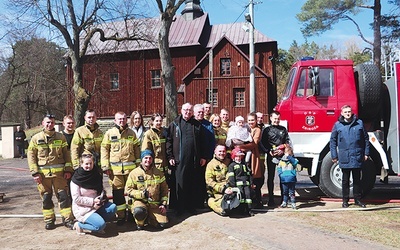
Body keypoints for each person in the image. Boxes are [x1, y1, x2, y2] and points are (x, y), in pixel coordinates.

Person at [27, 114, 74, 230]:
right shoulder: (36, 138)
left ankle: (67, 219)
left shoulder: (61, 137)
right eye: (47, 122)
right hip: (43, 176)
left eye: (52, 122)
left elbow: (67, 154)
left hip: (59, 175)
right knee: (46, 198)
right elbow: (31, 156)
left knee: (64, 197)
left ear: (55, 124)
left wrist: (68, 169)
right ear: (43, 123)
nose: (50, 124)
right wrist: (35, 173)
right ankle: (49, 220)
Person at [166, 102, 207, 215]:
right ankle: (179, 208)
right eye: (185, 110)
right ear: (181, 110)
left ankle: (191, 207)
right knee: (180, 185)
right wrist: (170, 156)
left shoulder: (197, 125)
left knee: (192, 184)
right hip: (179, 161)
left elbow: (202, 142)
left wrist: (203, 156)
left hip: (194, 160)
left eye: (189, 110)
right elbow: (168, 141)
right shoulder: (174, 124)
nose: (187, 112)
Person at [101, 111, 141, 225]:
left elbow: (137, 150)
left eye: (123, 119)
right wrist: (105, 166)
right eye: (119, 119)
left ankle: (134, 214)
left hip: (131, 170)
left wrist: (138, 166)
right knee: (118, 194)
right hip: (115, 171)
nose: (121, 121)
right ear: (115, 120)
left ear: (126, 120)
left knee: (132, 193)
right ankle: (121, 216)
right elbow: (104, 150)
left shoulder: (131, 133)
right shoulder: (109, 133)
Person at [330, 105, 369, 208]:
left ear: (352, 112)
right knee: (345, 180)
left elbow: (366, 139)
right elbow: (333, 141)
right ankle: (345, 200)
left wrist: (366, 153)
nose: (348, 113)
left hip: (357, 156)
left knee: (357, 180)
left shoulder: (359, 123)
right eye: (345, 112)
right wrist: (334, 155)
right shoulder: (338, 125)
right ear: (342, 113)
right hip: (344, 157)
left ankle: (358, 200)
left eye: (349, 111)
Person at [70, 154, 117, 235]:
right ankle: (80, 225)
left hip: (97, 205)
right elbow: (77, 199)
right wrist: (93, 201)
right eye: (86, 164)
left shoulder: (96, 175)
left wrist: (102, 197)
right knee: (100, 226)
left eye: (91, 163)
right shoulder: (76, 179)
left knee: (112, 208)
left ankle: (95, 222)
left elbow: (101, 190)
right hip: (83, 209)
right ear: (81, 164)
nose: (89, 166)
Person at [125, 149, 169, 230]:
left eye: (150, 158)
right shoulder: (134, 173)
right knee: (139, 212)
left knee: (163, 224)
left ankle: (150, 219)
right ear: (141, 159)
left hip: (154, 205)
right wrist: (141, 194)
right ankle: (140, 223)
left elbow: (164, 190)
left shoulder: (159, 173)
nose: (148, 160)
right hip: (140, 203)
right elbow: (128, 190)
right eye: (145, 158)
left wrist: (163, 204)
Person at [260, 111, 291, 207]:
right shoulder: (267, 130)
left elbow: (287, 141)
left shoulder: (283, 129)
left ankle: (284, 198)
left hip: (282, 156)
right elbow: (262, 143)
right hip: (271, 156)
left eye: (278, 119)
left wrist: (283, 150)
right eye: (275, 118)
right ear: (271, 118)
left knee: (283, 177)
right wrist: (268, 151)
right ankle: (271, 199)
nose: (276, 120)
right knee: (271, 178)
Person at [236, 113, 265, 209]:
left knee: (255, 178)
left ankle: (258, 201)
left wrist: (240, 147)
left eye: (252, 120)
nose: (251, 122)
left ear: (256, 120)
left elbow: (254, 143)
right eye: (249, 120)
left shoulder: (257, 130)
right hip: (244, 155)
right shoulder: (246, 128)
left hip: (253, 155)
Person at [226, 147, 254, 216]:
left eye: (240, 156)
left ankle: (249, 210)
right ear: (233, 157)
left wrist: (251, 183)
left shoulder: (244, 165)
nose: (238, 158)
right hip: (238, 185)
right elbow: (231, 177)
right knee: (241, 197)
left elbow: (248, 174)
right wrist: (233, 186)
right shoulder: (231, 166)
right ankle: (241, 210)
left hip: (246, 184)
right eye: (237, 156)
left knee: (248, 196)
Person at [205, 144, 231, 216]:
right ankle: (215, 206)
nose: (222, 153)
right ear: (215, 152)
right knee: (222, 205)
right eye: (219, 151)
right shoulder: (210, 165)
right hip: (217, 192)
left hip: (229, 189)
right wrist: (222, 189)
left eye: (223, 151)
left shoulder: (229, 162)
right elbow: (209, 181)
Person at [277, 144, 298, 209]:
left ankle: (293, 203)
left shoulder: (293, 161)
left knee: (292, 192)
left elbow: (295, 162)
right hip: (284, 179)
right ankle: (284, 202)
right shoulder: (281, 161)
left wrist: (289, 157)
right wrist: (280, 174)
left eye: (289, 154)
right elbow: (279, 168)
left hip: (291, 179)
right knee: (285, 192)